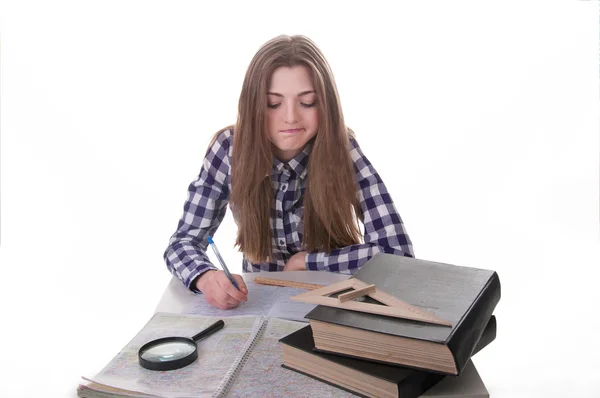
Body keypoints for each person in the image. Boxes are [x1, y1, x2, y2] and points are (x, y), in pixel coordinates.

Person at [164, 35, 413, 310]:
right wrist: (206, 276)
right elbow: (183, 242)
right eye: (273, 104)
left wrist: (307, 262)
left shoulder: (343, 149)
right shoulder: (229, 150)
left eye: (307, 102)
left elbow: (397, 254)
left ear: (325, 105)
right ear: (253, 105)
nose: (291, 117)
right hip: (259, 306)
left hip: (332, 303)